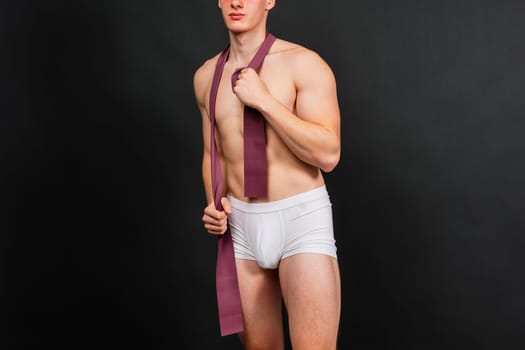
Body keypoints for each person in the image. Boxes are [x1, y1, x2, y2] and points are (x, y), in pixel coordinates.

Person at [193, 0, 341, 349]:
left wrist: (264, 101)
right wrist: (212, 204)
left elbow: (329, 153)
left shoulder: (304, 64)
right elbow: (211, 151)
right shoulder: (205, 76)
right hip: (242, 228)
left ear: (270, 1)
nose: (237, 2)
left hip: (300, 220)